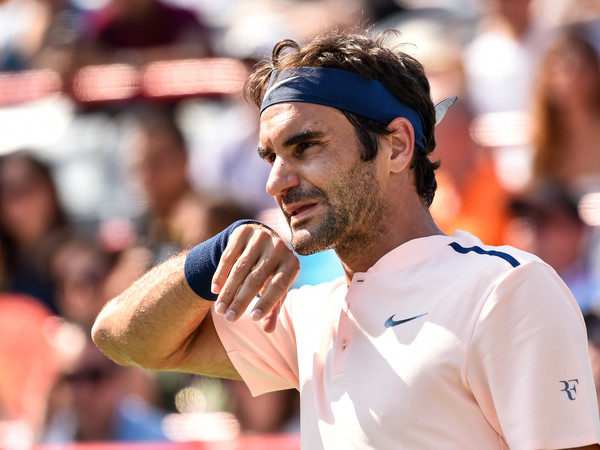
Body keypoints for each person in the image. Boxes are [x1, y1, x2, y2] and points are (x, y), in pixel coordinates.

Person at [92, 30, 600, 449]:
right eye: (271, 157)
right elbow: (121, 338)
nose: (276, 181)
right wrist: (211, 258)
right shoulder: (307, 316)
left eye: (306, 145)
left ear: (397, 146)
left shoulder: (507, 291)